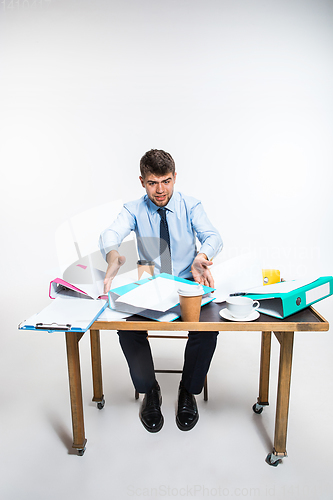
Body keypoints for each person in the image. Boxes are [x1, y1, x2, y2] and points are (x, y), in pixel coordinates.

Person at [99, 149, 222, 433]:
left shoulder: (191, 206)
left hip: (188, 283)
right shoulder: (133, 209)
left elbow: (213, 235)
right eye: (153, 182)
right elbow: (110, 234)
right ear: (142, 181)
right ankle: (149, 390)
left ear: (175, 177)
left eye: (166, 181)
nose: (160, 190)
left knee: (209, 328)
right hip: (150, 285)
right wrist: (113, 256)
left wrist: (202, 255)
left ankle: (188, 390)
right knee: (127, 328)